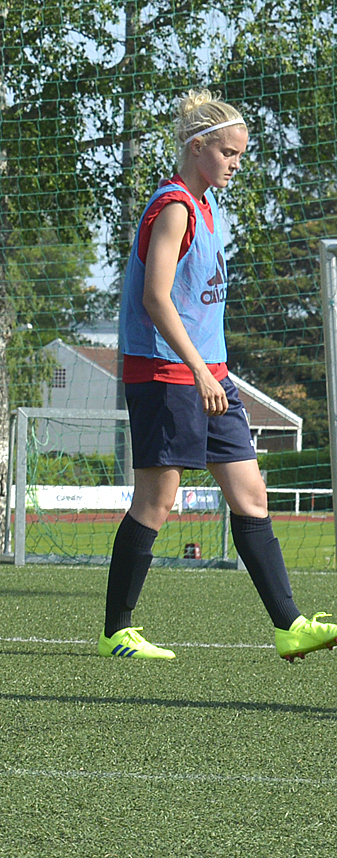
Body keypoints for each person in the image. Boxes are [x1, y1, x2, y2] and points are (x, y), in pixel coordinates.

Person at [100, 91, 337, 660]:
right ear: (196, 146)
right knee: (156, 501)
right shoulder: (175, 207)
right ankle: (117, 630)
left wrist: (215, 374)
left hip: (212, 377)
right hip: (167, 374)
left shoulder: (208, 207)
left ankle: (289, 625)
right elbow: (157, 299)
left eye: (240, 154)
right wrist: (199, 371)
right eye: (228, 153)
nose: (235, 163)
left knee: (250, 494)